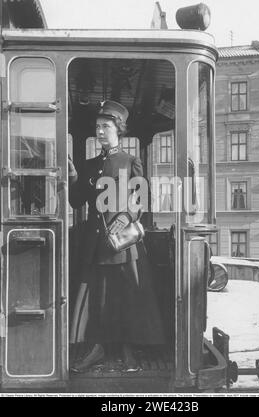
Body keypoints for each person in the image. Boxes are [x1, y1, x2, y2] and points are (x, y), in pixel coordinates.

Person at [69, 100, 164, 372]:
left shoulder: (130, 162)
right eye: (97, 127)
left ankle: (127, 350)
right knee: (97, 298)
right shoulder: (89, 165)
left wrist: (125, 217)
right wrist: (74, 175)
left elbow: (142, 197)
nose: (100, 131)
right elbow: (76, 202)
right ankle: (96, 348)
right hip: (95, 244)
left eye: (105, 126)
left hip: (122, 244)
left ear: (118, 129)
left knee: (126, 297)